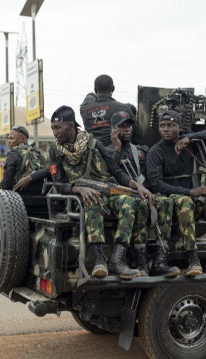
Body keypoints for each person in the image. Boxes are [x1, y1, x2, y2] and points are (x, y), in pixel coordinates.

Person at [47, 105, 155, 279]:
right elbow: (59, 183)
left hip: (108, 190)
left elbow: (116, 171)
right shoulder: (54, 151)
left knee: (130, 203)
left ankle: (118, 260)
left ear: (71, 126)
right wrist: (79, 189)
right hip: (86, 196)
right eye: (53, 128)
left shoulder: (94, 143)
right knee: (92, 199)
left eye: (58, 127)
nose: (55, 132)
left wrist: (137, 186)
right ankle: (99, 259)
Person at [146, 110, 206, 276]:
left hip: (191, 200)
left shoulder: (188, 145)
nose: (165, 129)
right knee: (185, 201)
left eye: (170, 125)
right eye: (162, 126)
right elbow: (156, 185)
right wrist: (190, 191)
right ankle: (192, 259)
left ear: (179, 127)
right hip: (170, 204)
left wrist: (190, 137)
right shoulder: (156, 152)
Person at [107, 111, 180, 277]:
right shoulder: (106, 151)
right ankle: (141, 262)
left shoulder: (140, 150)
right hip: (121, 197)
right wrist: (117, 149)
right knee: (138, 204)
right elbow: (108, 176)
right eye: (122, 126)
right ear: (113, 129)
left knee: (166, 202)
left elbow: (151, 176)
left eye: (129, 126)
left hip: (144, 194)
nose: (127, 130)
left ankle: (160, 261)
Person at [80, 74, 144, 147]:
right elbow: (137, 139)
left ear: (95, 89)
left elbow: (88, 99)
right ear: (113, 88)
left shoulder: (84, 110)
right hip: (117, 153)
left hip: (93, 155)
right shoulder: (123, 108)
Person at [0, 125, 47, 192]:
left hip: (19, 197)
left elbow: (6, 183)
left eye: (11, 138)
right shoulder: (40, 154)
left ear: (22, 139)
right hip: (42, 196)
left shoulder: (13, 154)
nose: (8, 141)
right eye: (8, 138)